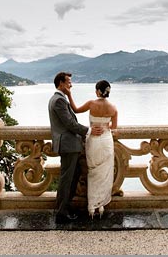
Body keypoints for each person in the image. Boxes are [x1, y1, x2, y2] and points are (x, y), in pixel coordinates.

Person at [48, 72, 103, 224]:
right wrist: (90, 131)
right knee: (67, 178)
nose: (71, 85)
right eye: (68, 82)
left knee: (73, 174)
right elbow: (69, 124)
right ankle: (61, 213)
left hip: (69, 144)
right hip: (68, 145)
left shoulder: (58, 98)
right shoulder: (58, 100)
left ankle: (64, 207)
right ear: (61, 83)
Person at [66, 79, 118, 219]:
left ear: (97, 91)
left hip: (93, 141)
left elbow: (75, 109)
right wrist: (106, 126)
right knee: (104, 174)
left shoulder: (91, 103)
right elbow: (114, 128)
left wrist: (69, 94)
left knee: (93, 172)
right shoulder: (113, 108)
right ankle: (100, 205)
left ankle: (91, 207)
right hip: (106, 141)